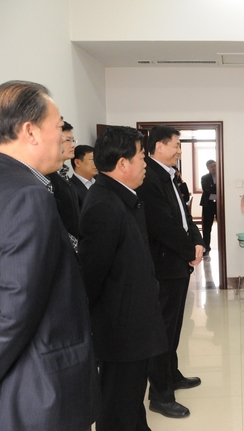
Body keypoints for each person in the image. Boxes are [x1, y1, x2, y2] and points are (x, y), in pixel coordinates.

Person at [0, 80, 100, 430]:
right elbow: (15, 305)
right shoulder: (28, 195)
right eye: (59, 126)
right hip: (38, 388)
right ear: (30, 131)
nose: (64, 138)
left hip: (9, 392)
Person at [79, 126, 168, 431]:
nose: (145, 164)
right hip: (120, 331)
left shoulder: (121, 197)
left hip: (132, 325)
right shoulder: (104, 205)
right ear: (122, 164)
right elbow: (91, 276)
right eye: (142, 157)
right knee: (118, 407)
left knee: (130, 404)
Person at [136, 125, 204, 419]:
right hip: (163, 266)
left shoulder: (170, 176)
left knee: (174, 326)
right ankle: (160, 395)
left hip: (176, 263)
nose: (179, 150)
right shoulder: (149, 177)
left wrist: (198, 241)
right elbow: (162, 225)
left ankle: (171, 375)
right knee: (162, 330)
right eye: (175, 145)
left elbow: (184, 216)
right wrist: (189, 251)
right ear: (159, 146)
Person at [47, 119, 80, 249]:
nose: (73, 145)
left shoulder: (64, 175)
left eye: (73, 140)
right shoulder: (47, 178)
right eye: (68, 140)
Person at [200, 159, 217, 257]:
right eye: (211, 167)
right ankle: (206, 247)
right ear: (208, 168)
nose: (214, 168)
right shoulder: (204, 178)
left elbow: (223, 188)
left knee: (222, 226)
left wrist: (213, 187)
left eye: (215, 165)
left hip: (219, 204)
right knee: (207, 227)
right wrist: (216, 187)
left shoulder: (222, 176)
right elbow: (206, 189)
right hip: (208, 204)